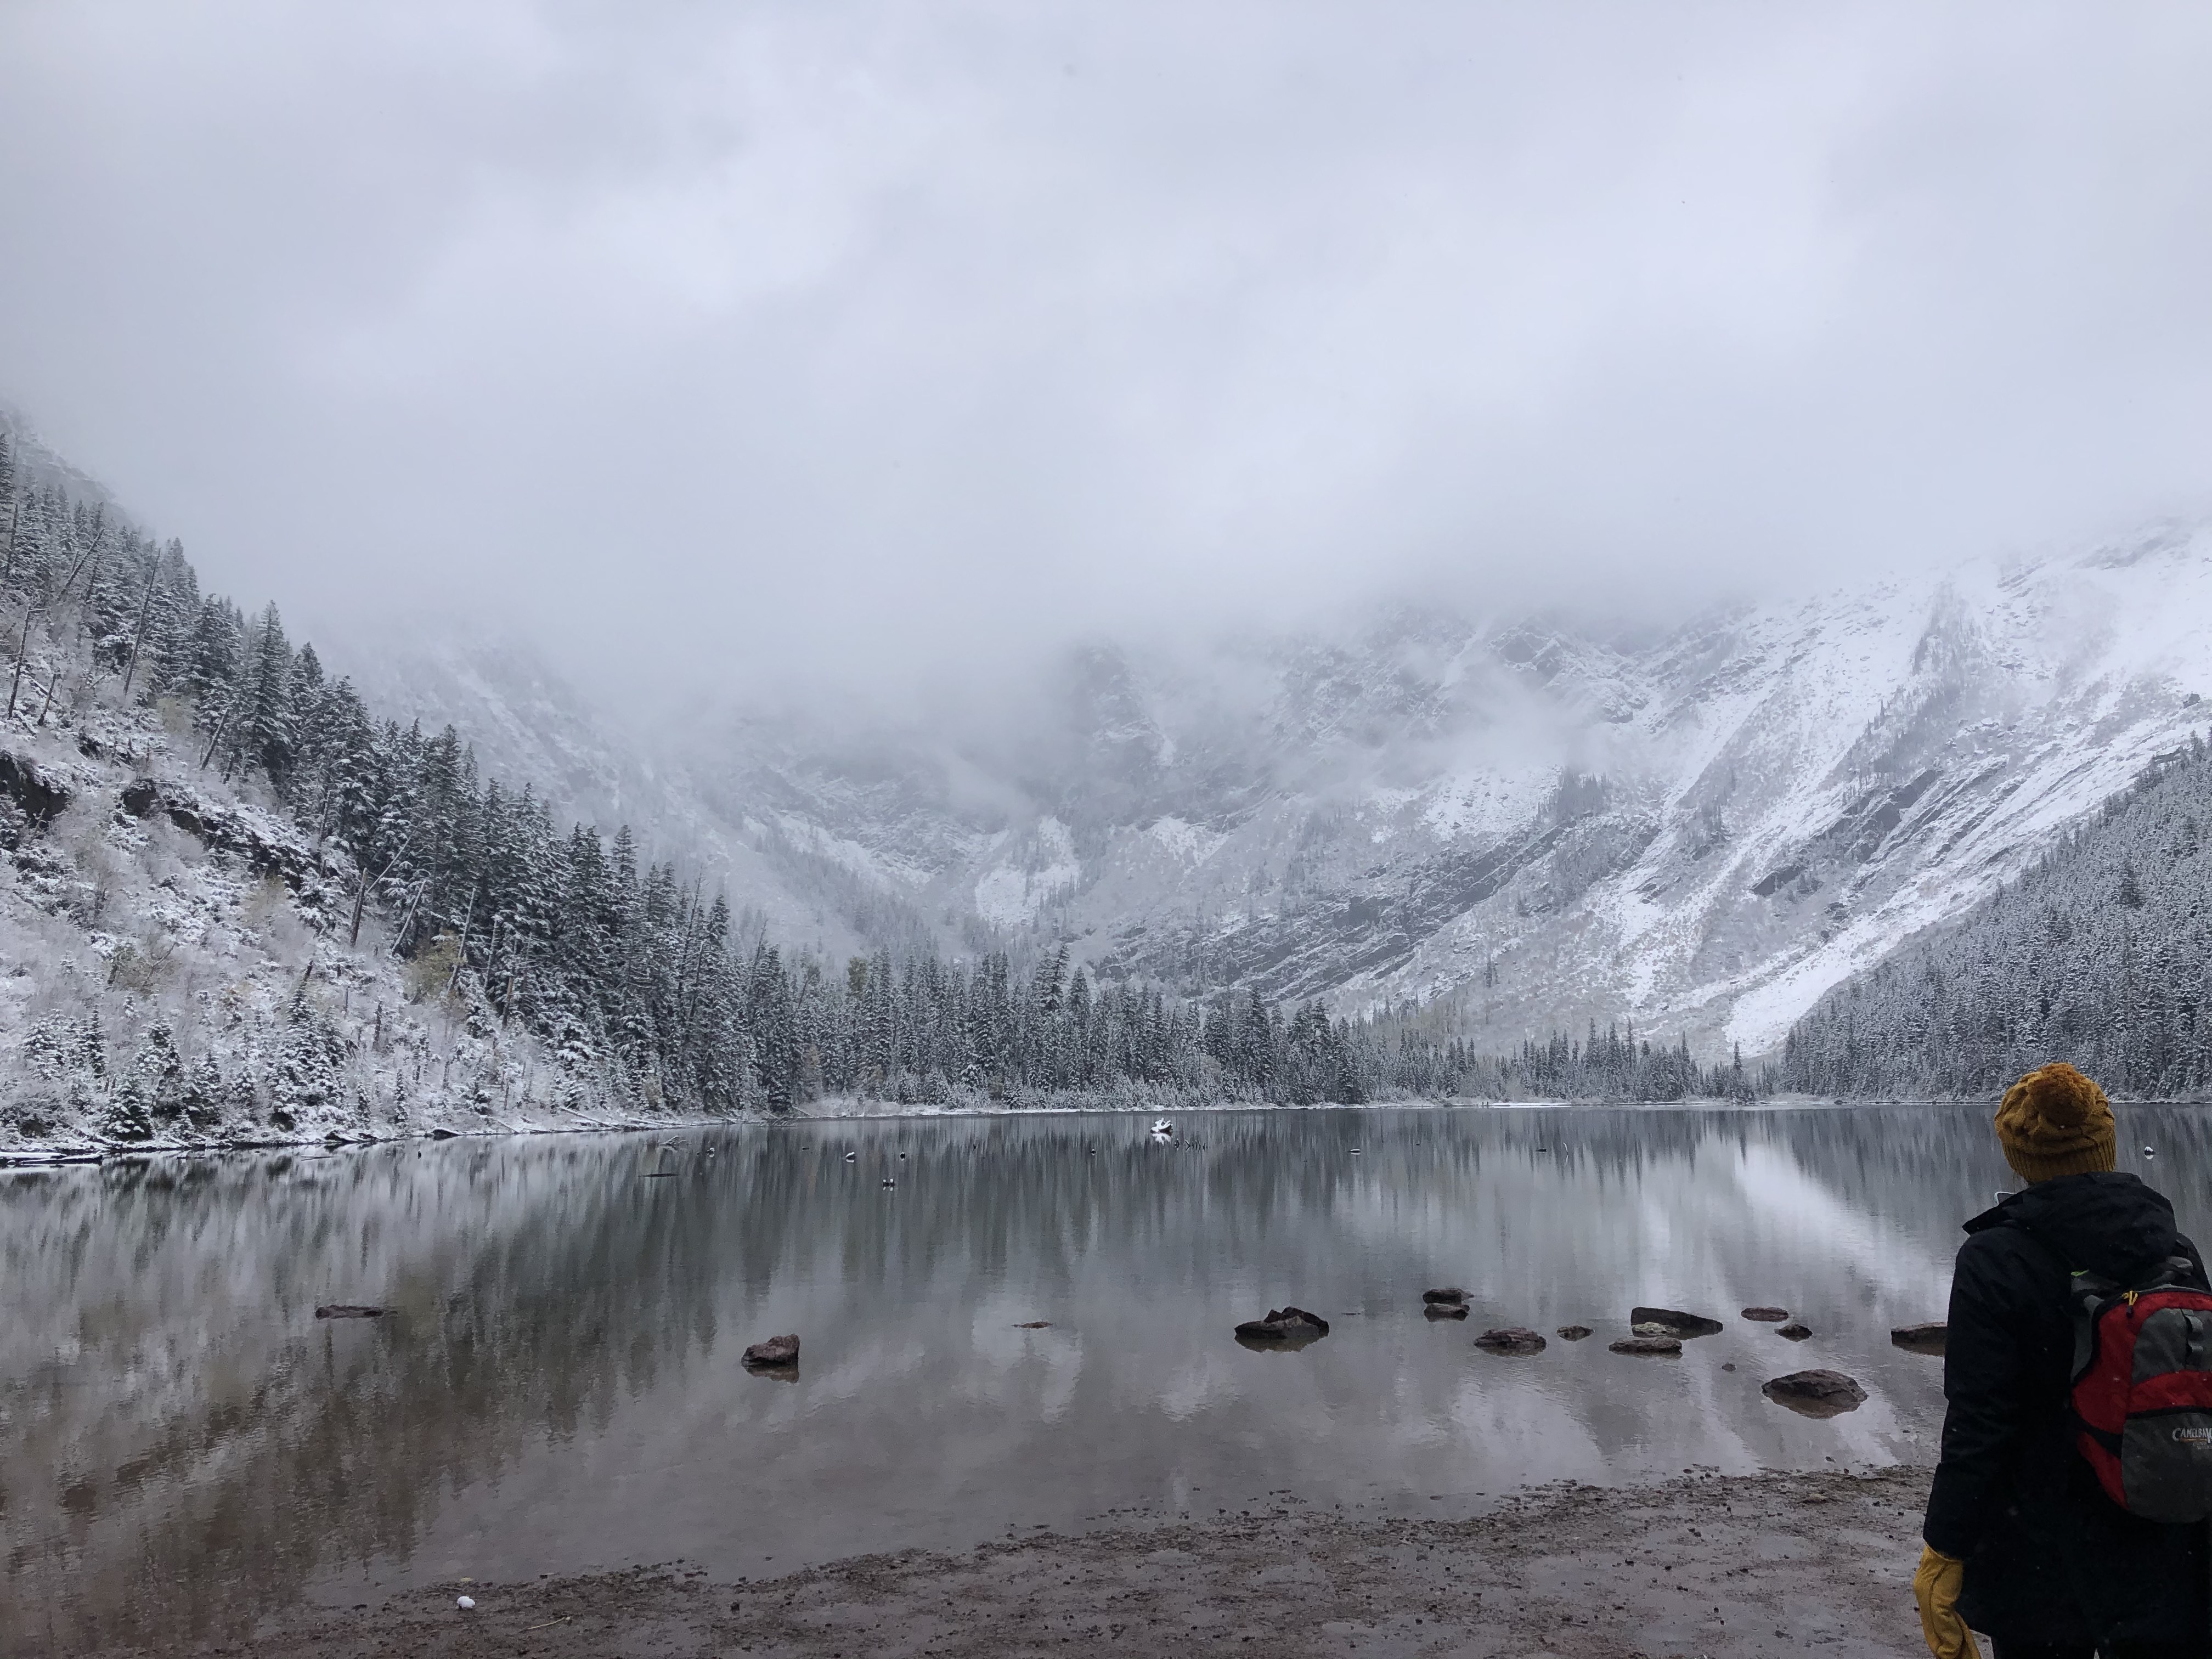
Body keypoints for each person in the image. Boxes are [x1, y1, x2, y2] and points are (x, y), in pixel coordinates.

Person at [1915, 1062, 2209, 1658]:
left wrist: (1945, 1546)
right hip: (2163, 1525)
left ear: (2020, 1158)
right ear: (2106, 1145)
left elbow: (1979, 1421)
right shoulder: (2172, 1245)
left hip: (2040, 1550)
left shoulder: (1995, 1258)